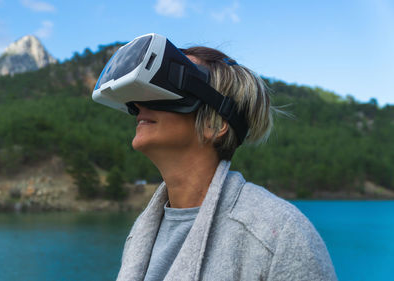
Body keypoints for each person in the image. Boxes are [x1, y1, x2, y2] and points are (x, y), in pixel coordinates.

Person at [93, 34, 337, 281]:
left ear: (214, 123)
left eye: (164, 87)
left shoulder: (279, 235)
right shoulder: (141, 234)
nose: (139, 104)